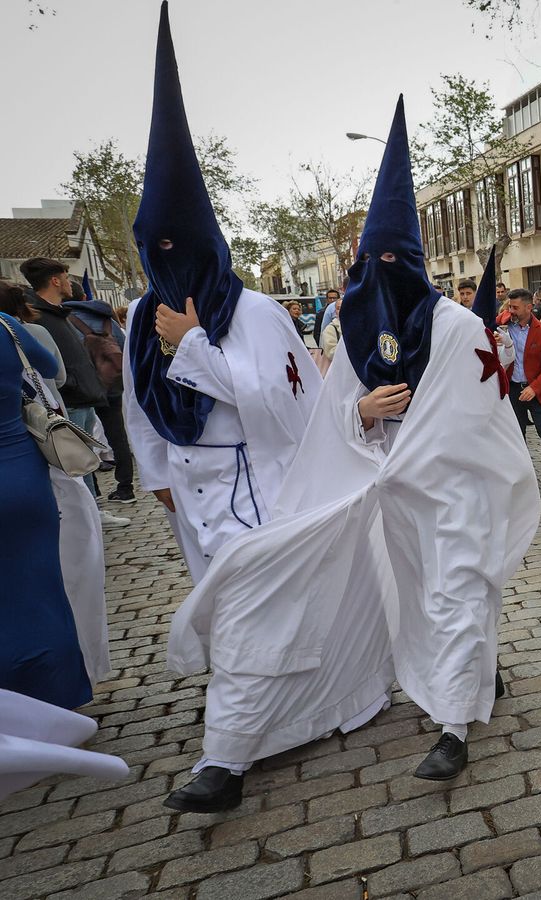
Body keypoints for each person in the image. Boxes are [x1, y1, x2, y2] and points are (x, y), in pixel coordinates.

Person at [166, 94, 539, 804]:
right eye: (370, 259)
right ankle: (236, 749)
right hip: (387, 494)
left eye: (392, 260)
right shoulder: (358, 338)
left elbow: (477, 418)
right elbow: (327, 422)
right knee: (392, 596)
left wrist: (409, 448)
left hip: (454, 487)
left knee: (457, 591)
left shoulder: (460, 327)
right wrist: (363, 416)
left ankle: (455, 725)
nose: (380, 272)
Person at [120, 3, 324, 812]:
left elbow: (282, 406)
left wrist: (196, 346)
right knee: (242, 620)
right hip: (191, 492)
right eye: (153, 249)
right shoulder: (140, 315)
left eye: (180, 246)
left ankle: (224, 765)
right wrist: (155, 474)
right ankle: (274, 715)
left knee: (242, 615)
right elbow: (139, 403)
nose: (167, 263)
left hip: (254, 486)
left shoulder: (259, 312)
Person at [0, 306, 92, 710]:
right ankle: (58, 701)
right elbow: (50, 366)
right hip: (17, 470)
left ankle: (12, 711)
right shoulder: (4, 323)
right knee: (41, 589)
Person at [20, 259, 107, 461]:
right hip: (69, 402)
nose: (70, 284)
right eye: (66, 278)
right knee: (78, 466)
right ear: (55, 281)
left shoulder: (59, 313)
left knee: (88, 464)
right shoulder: (37, 317)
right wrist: (71, 384)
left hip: (83, 399)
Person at [64, 281, 136, 506]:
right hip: (112, 386)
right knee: (117, 436)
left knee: (82, 439)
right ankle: (126, 488)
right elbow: (125, 349)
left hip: (82, 389)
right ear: (85, 296)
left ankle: (92, 490)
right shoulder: (107, 318)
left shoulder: (65, 320)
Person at [504, 288, 541, 494]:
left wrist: (535, 387)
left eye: (515, 307)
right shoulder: (505, 327)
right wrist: (506, 315)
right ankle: (521, 478)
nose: (511, 310)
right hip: (512, 389)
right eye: (509, 306)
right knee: (516, 436)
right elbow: (492, 318)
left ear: (529, 307)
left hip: (537, 390)